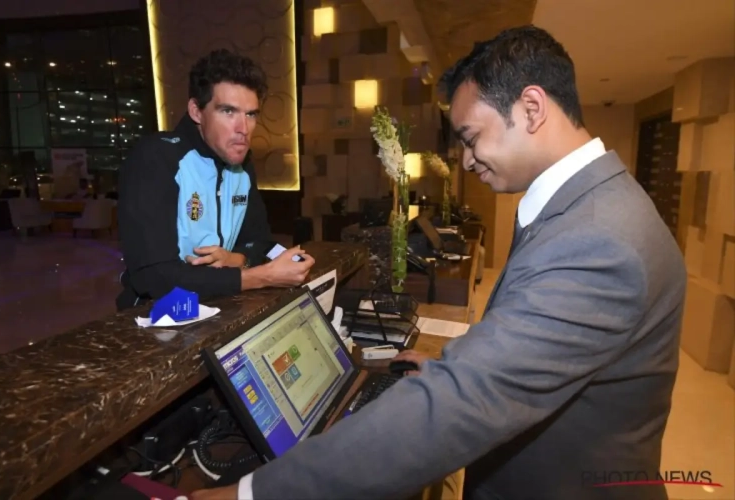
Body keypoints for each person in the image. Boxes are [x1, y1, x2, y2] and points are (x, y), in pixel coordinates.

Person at [191, 26, 686, 500]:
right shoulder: (589, 209)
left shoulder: (597, 239)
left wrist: (254, 492)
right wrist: (463, 365)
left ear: (531, 108)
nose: (467, 160)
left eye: (471, 137)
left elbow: (459, 406)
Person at [116, 49, 314, 310]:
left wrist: (237, 259)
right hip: (155, 318)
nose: (243, 129)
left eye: (251, 114)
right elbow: (154, 277)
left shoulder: (242, 165)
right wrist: (260, 276)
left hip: (221, 308)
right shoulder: (155, 158)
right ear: (196, 111)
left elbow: (260, 242)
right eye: (228, 111)